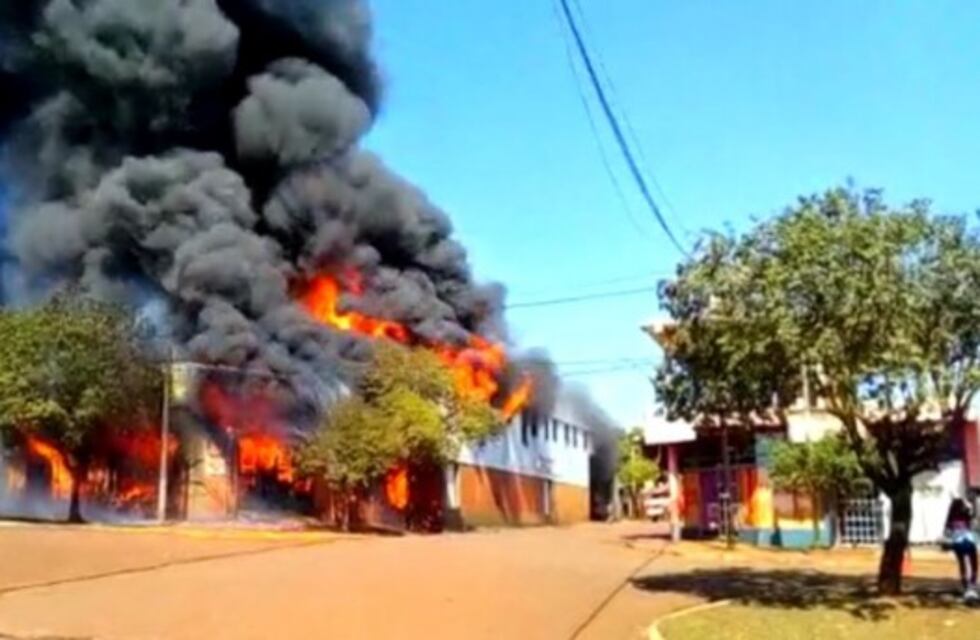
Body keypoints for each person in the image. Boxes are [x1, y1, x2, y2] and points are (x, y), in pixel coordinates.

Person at [944, 497, 978, 601]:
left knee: (962, 563)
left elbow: (947, 532)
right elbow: (973, 519)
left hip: (957, 543)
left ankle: (965, 585)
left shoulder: (950, 518)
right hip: (968, 541)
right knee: (974, 562)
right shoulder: (965, 515)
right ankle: (972, 584)